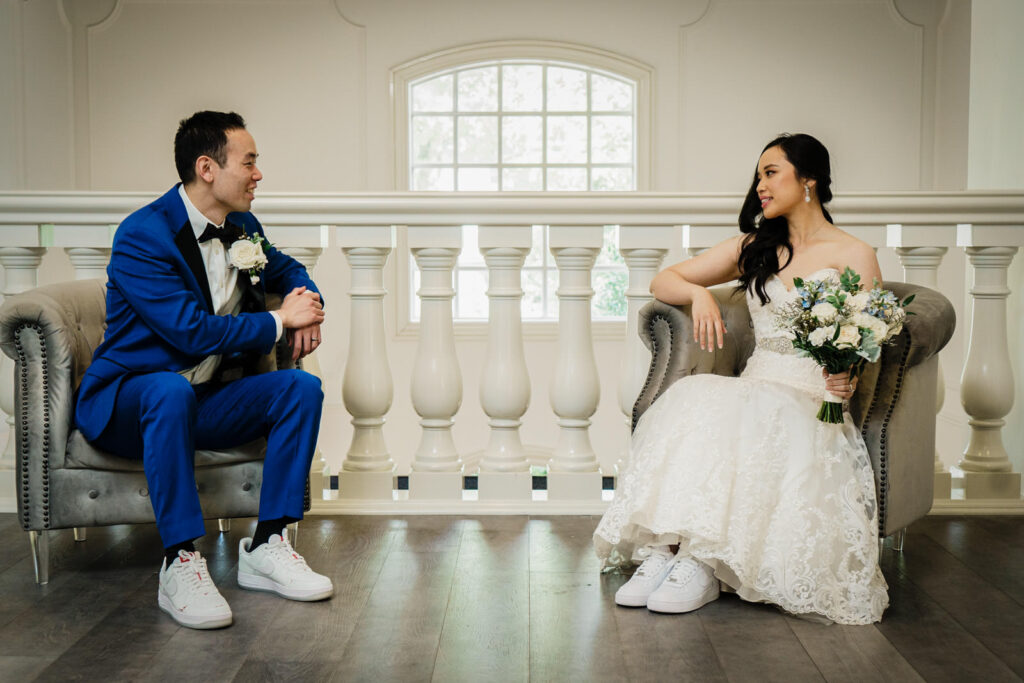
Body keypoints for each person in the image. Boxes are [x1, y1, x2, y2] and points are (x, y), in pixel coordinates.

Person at [594, 133, 889, 625]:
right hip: (755, 384)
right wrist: (700, 294)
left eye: (771, 173)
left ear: (808, 180)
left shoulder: (854, 253)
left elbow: (866, 336)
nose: (760, 186)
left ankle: (704, 563)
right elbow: (662, 280)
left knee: (746, 412)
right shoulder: (754, 246)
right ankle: (669, 552)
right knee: (696, 398)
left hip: (809, 399)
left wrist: (846, 376)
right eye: (758, 176)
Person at [75, 111, 333, 630]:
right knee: (168, 391)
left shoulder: (243, 228)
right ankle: (181, 562)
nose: (259, 174)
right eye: (250, 162)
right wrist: (282, 319)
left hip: (204, 399)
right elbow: (189, 333)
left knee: (300, 389)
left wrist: (309, 300)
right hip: (129, 403)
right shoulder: (143, 236)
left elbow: (285, 267)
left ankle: (268, 544)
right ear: (207, 167)